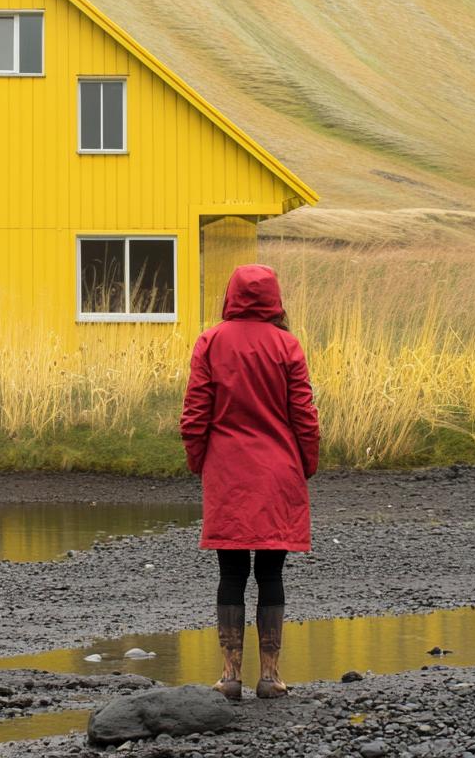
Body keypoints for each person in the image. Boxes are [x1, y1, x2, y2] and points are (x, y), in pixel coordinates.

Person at [179, 263, 320, 701]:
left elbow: (195, 414)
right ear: (274, 298)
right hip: (278, 470)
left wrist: (199, 461)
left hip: (228, 471)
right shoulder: (287, 345)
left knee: (232, 571)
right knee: (272, 571)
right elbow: (304, 416)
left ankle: (229, 676)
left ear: (231, 295)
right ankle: (272, 676)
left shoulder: (211, 341)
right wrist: (305, 465)